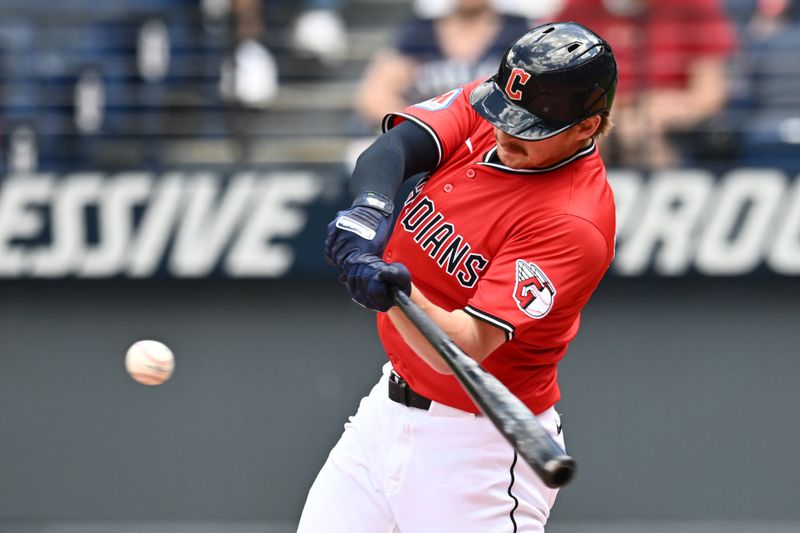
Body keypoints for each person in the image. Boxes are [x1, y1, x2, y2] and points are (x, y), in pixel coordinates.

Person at [299, 22, 617, 532]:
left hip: (479, 452)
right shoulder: (496, 103)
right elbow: (393, 150)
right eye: (504, 115)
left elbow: (463, 349)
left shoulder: (573, 222)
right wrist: (369, 209)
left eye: (530, 127)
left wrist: (394, 292)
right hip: (385, 413)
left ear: (586, 126)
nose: (507, 131)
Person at [554, 0, 736, 168]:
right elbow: (559, 92)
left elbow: (709, 95)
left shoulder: (694, 7)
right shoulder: (575, 11)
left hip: (668, 119)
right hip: (603, 114)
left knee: (644, 129)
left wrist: (652, 112)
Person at [354, 0, 531, 128]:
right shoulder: (418, 31)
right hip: (428, 146)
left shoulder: (519, 30)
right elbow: (373, 96)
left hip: (494, 141)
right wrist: (420, 127)